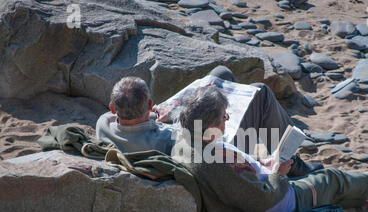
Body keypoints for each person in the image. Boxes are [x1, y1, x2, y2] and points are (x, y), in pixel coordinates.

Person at [175, 86, 368, 212]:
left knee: (320, 181)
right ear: (212, 124)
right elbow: (261, 199)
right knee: (328, 180)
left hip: (255, 190)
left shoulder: (189, 141)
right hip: (270, 207)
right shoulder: (215, 162)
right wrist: (278, 174)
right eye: (225, 116)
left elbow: (238, 177)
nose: (227, 120)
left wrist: (260, 164)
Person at [96, 66, 322, 176]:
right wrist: (172, 113)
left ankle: (281, 153)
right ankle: (292, 162)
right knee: (260, 93)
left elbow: (136, 123)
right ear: (148, 104)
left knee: (220, 74)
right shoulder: (165, 139)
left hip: (165, 127)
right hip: (215, 150)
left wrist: (156, 114)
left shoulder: (104, 124)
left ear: (113, 108)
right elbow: (195, 133)